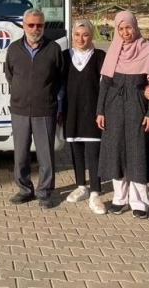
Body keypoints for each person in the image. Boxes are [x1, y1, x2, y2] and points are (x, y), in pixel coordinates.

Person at [97, 11, 149, 219]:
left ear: (135, 26)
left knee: (137, 154)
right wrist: (100, 112)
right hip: (113, 109)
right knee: (116, 153)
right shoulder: (113, 50)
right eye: (121, 29)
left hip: (137, 108)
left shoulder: (148, 49)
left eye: (128, 27)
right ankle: (119, 198)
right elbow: (105, 84)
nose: (125, 32)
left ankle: (139, 201)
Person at [5, 8, 65, 209]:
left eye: (39, 25)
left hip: (45, 110)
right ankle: (24, 190)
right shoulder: (13, 49)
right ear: (24, 26)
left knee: (45, 155)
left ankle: (44, 192)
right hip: (20, 110)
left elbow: (60, 78)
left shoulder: (54, 49)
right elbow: (10, 74)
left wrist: (52, 100)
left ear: (44, 26)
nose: (35, 29)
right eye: (31, 25)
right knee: (20, 155)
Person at [62, 20, 107, 214]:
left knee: (93, 153)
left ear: (91, 36)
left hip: (92, 113)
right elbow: (59, 86)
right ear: (72, 36)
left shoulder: (99, 56)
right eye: (77, 35)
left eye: (85, 35)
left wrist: (102, 111)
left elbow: (105, 87)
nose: (81, 39)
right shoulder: (65, 56)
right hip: (71, 112)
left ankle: (96, 192)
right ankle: (81, 186)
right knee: (76, 151)